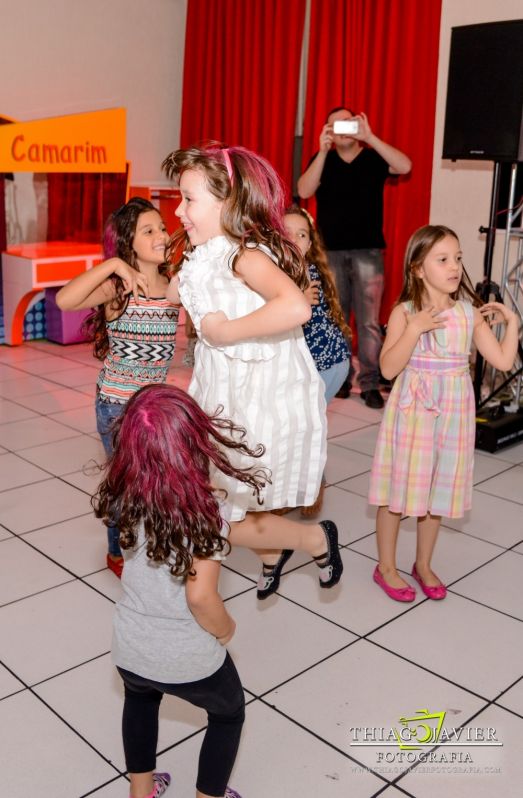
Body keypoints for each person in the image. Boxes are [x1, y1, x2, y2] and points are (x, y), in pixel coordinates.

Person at [161, 143, 343, 599]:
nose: (179, 210)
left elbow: (296, 306)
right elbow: (173, 294)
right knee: (221, 504)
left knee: (216, 511)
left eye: (189, 199)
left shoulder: (243, 256)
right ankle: (285, 547)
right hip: (217, 392)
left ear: (229, 202)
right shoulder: (205, 253)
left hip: (252, 401)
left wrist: (225, 332)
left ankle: (307, 540)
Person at [92, 383, 264, 798]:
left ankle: (141, 791)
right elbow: (201, 596)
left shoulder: (123, 496)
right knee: (228, 716)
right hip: (188, 657)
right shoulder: (208, 512)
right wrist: (225, 629)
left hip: (130, 647)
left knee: (140, 701)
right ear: (194, 442)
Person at [368, 225, 518, 602]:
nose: (454, 267)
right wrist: (415, 329)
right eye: (443, 260)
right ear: (418, 268)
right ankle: (386, 566)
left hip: (454, 410)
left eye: (458, 258)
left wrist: (513, 324)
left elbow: (501, 358)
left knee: (436, 490)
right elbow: (387, 369)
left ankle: (423, 562)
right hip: (414, 410)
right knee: (396, 491)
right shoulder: (406, 312)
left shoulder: (468, 314)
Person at [56, 198, 179, 578]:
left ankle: (148, 547)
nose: (161, 235)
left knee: (154, 485)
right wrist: (112, 265)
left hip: (156, 408)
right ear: (129, 243)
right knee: (126, 487)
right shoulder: (117, 288)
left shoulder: (175, 281)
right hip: (117, 406)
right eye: (149, 231)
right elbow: (64, 300)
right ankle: (116, 551)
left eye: (161, 227)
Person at [297, 106, 412, 408]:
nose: (340, 130)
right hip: (329, 251)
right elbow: (303, 189)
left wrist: (370, 137)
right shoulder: (324, 160)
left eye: (346, 124)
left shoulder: (373, 157)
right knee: (337, 319)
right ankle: (343, 376)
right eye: (333, 126)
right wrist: (321, 152)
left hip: (368, 250)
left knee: (369, 322)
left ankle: (371, 382)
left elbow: (405, 166)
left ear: (356, 125)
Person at [283, 205, 351, 515]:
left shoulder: (304, 275)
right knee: (297, 425)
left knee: (305, 427)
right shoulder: (280, 273)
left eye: (302, 235)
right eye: (288, 233)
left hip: (327, 365)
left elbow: (291, 317)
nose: (296, 240)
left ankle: (311, 491)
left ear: (310, 244)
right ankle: (296, 490)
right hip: (313, 364)